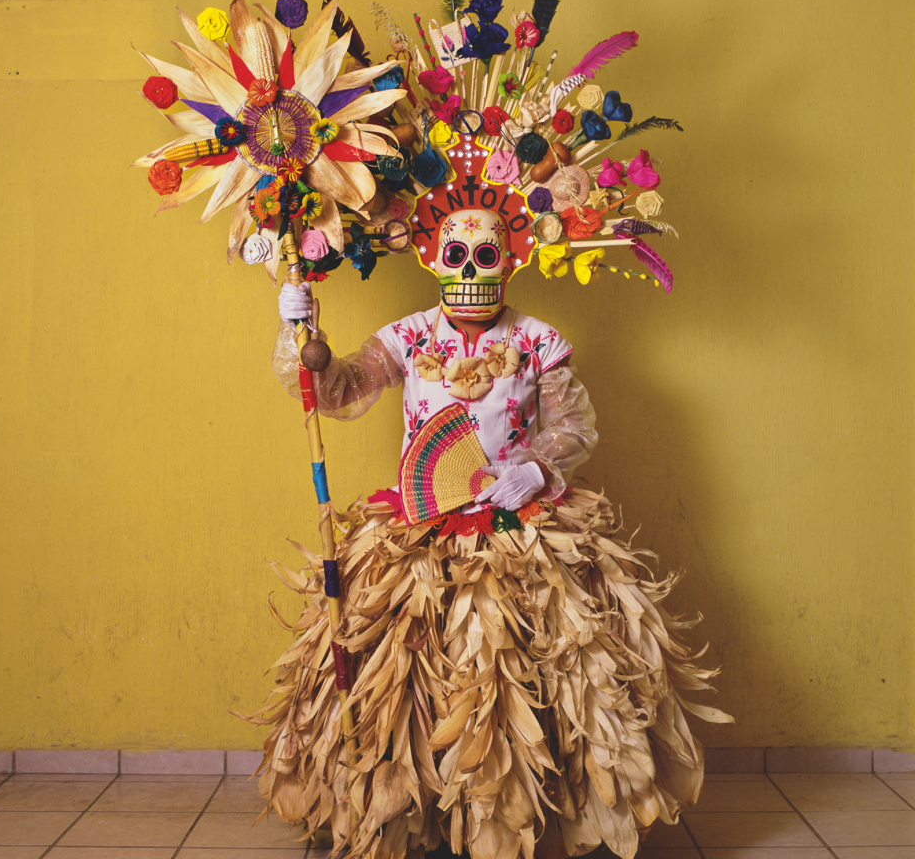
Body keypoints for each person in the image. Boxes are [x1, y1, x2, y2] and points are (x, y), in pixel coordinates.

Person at [249, 205, 722, 859]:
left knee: (541, 674)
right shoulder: (406, 337)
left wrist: (536, 467)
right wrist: (299, 329)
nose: (471, 272)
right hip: (423, 527)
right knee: (414, 677)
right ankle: (424, 818)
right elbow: (338, 391)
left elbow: (573, 425)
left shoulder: (538, 341)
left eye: (486, 256)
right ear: (433, 260)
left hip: (521, 523)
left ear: (512, 260)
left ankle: (524, 817)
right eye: (457, 256)